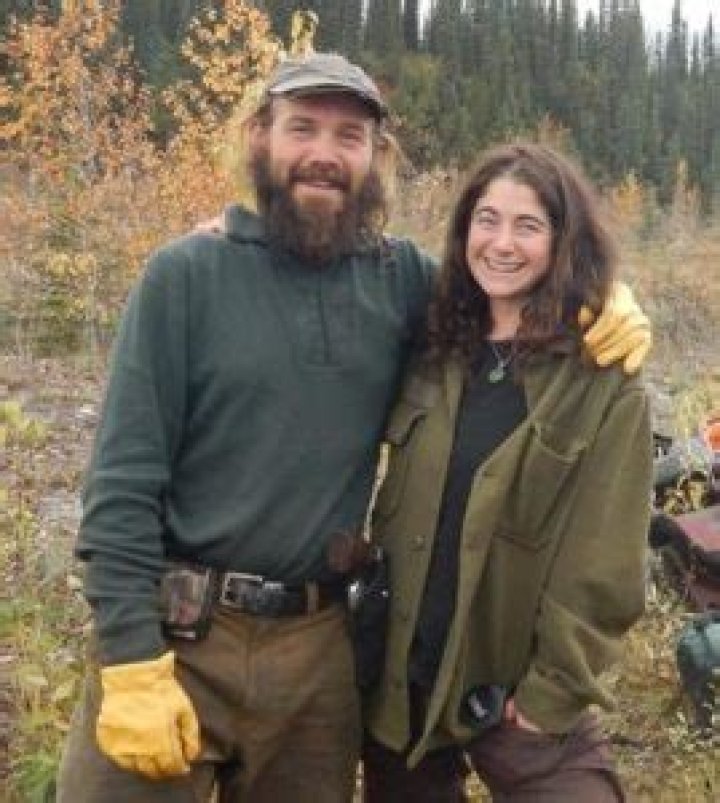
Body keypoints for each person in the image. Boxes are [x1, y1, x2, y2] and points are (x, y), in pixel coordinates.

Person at [56, 52, 651, 803]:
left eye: (350, 136)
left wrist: (603, 296)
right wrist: (130, 660)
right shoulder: (185, 276)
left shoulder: (401, 281)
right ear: (259, 137)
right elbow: (120, 488)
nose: (325, 154)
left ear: (376, 157)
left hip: (316, 660)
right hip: (176, 638)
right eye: (302, 127)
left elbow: (503, 283)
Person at [362, 142, 654, 803]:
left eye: (528, 225)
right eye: (487, 220)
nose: (501, 243)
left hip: (517, 691)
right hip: (404, 683)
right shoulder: (432, 343)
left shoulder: (602, 380)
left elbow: (605, 562)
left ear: (563, 240)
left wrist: (552, 695)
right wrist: (235, 239)